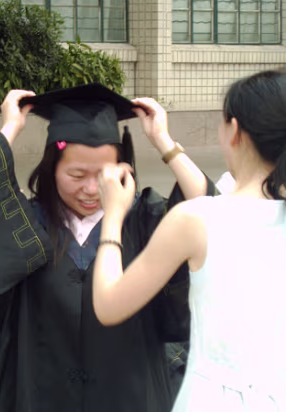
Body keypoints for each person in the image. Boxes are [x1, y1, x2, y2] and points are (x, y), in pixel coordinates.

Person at [0, 83, 215, 412]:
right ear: (52, 169)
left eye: (102, 174)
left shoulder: (145, 221)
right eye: (76, 174)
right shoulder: (26, 225)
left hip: (129, 395)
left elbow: (207, 213)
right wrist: (10, 128)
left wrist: (164, 142)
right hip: (41, 395)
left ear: (124, 167)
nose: (90, 189)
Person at [93, 70, 286, 411]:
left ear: (235, 130)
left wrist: (112, 217)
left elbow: (109, 306)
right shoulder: (212, 216)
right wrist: (163, 141)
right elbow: (220, 198)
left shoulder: (195, 220)